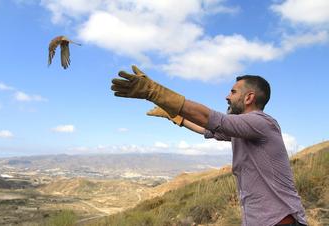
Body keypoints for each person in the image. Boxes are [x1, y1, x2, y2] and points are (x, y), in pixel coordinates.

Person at [111, 65, 307, 226]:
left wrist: (154, 92)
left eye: (233, 92)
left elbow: (211, 119)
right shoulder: (243, 132)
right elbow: (206, 129)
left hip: (281, 221)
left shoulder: (261, 123)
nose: (227, 97)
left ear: (249, 98)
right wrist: (174, 116)